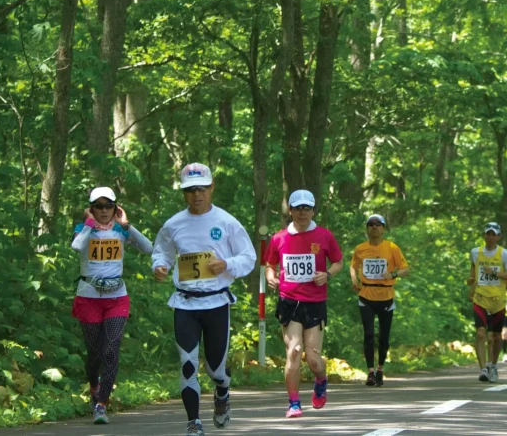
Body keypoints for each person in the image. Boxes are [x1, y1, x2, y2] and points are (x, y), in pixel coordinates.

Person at [152, 163, 256, 436]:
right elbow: (160, 252)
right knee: (187, 363)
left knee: (215, 369)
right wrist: (159, 266)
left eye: (202, 188)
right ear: (184, 193)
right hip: (185, 303)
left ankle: (222, 390)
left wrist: (227, 264)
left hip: (217, 303)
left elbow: (248, 257)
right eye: (190, 190)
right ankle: (194, 422)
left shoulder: (227, 222)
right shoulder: (173, 225)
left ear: (212, 188)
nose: (196, 194)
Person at [71, 186, 152, 425]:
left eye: (108, 206)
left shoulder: (120, 231)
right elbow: (76, 247)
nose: (104, 211)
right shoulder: (83, 230)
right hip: (88, 297)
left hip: (117, 298)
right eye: (99, 206)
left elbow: (148, 247)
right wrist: (88, 224)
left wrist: (127, 225)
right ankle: (94, 387)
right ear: (92, 209)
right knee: (94, 352)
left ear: (116, 208)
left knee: (111, 350)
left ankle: (102, 404)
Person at [265, 190, 344, 418]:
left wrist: (327, 274)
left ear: (313, 210)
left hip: (315, 302)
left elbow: (338, 262)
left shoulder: (324, 236)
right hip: (289, 301)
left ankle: (321, 379)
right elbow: (270, 264)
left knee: (313, 359)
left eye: (306, 208)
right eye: (297, 208)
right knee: (294, 351)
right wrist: (270, 276)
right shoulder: (279, 238)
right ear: (290, 210)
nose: (302, 213)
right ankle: (294, 403)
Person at [349, 213, 409, 388]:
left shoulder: (392, 248)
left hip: (386, 296)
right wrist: (354, 280)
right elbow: (353, 265)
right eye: (371, 224)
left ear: (383, 228)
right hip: (366, 295)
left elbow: (405, 269)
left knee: (384, 337)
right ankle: (370, 372)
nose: (374, 227)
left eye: (378, 224)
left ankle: (380, 369)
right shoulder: (360, 248)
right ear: (367, 229)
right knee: (368, 334)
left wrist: (393, 274)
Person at [467, 222, 507, 382]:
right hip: (480, 298)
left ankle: (493, 366)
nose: (489, 237)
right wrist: (471, 281)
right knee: (481, 334)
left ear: (498, 237)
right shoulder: (475, 252)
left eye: (493, 234)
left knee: (496, 338)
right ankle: (483, 369)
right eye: (487, 234)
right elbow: (473, 272)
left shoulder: (504, 255)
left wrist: (496, 274)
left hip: (498, 302)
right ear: (484, 235)